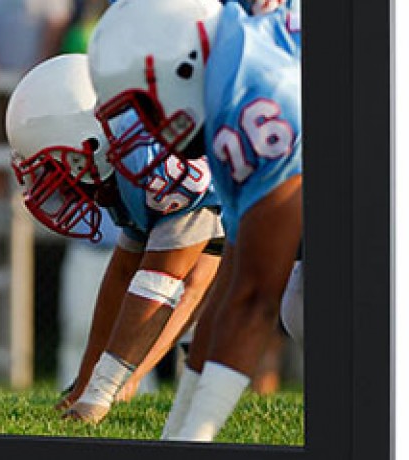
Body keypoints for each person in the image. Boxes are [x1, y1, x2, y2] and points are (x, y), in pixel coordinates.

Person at [88, 0, 301, 440]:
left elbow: (250, 302)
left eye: (146, 108)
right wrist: (175, 433)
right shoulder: (232, 73)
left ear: (181, 67)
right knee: (298, 300)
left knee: (300, 302)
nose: (149, 127)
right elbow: (228, 289)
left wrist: (192, 438)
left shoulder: (257, 100)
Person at [4, 54, 223, 423]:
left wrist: (101, 395)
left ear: (88, 141)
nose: (55, 183)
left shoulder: (153, 154)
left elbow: (170, 282)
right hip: (261, 224)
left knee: (292, 311)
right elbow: (123, 273)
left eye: (53, 167)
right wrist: (88, 380)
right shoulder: (122, 160)